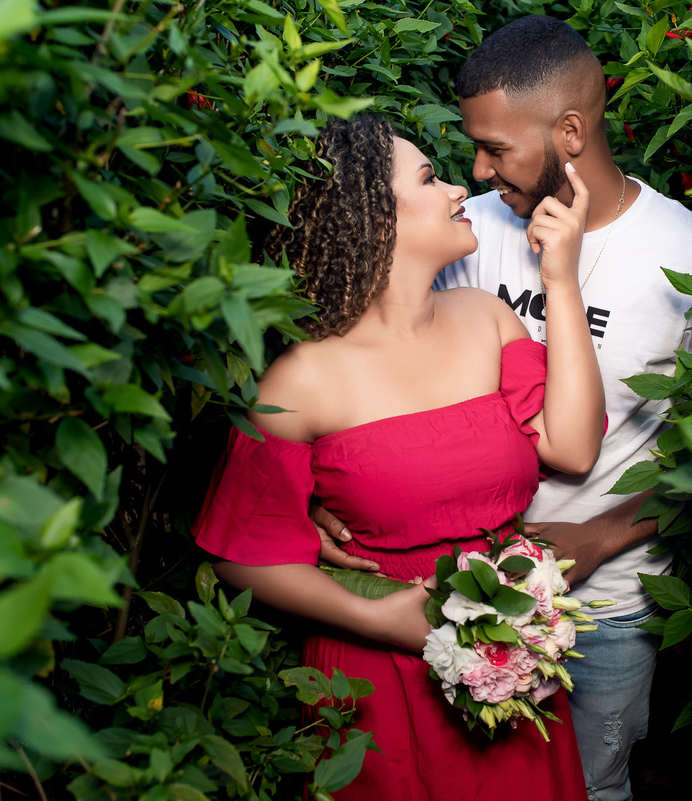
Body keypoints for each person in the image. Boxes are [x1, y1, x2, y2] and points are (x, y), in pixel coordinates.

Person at [315, 17, 692, 801]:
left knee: (589, 786)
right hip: (454, 596)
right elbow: (377, 384)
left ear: (570, 131)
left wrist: (604, 535)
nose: (477, 167)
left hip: (603, 604)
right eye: (472, 145)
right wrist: (321, 498)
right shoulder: (465, 231)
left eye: (496, 148)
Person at [191, 115, 605, 800]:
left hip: (507, 646)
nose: (455, 192)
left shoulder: (485, 317)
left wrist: (560, 281)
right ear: (372, 215)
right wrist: (374, 618)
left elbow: (574, 443)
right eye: (428, 177)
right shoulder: (300, 381)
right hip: (374, 668)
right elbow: (241, 550)